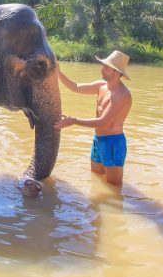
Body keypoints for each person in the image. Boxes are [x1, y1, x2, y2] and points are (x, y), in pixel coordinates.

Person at [55, 50, 132, 186]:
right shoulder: (101, 86)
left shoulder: (122, 95)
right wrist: (58, 73)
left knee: (114, 187)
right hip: (98, 140)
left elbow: (102, 121)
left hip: (113, 143)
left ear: (116, 72)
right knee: (96, 181)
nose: (102, 69)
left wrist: (73, 120)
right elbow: (76, 87)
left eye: (106, 67)